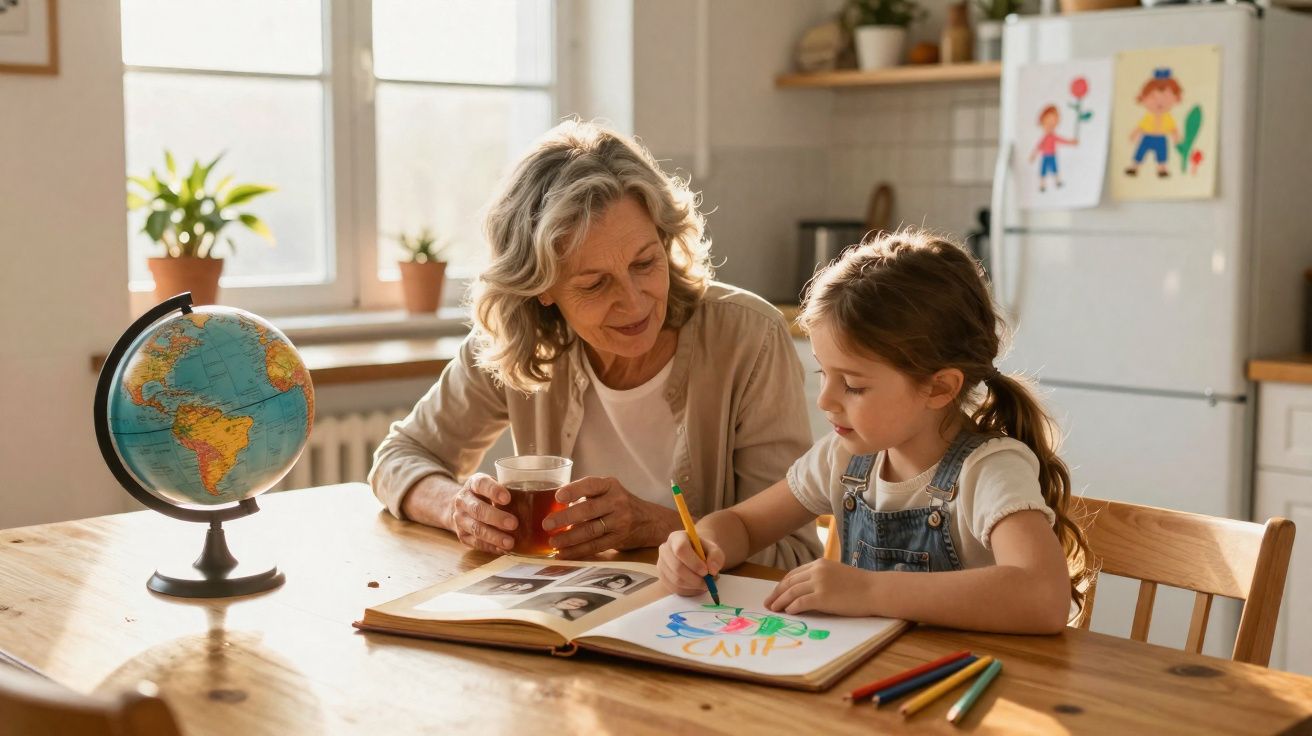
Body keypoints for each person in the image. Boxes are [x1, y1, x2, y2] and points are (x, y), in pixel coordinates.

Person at [368, 120, 820, 568]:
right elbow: (398, 458)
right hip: (565, 620)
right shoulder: (519, 340)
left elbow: (791, 555)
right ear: (541, 288)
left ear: (665, 240)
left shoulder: (749, 338)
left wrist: (654, 526)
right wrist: (455, 507)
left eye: (645, 262)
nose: (634, 301)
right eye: (595, 284)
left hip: (706, 630)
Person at [657, 229, 1091, 634]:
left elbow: (1042, 596)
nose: (825, 400)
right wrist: (701, 545)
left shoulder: (989, 471)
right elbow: (743, 526)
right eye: (823, 373)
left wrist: (868, 591)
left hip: (965, 686)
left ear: (939, 387)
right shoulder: (842, 458)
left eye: (854, 386)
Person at [1125, 68, 1183, 178]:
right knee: (1140, 152)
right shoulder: (1148, 116)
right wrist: (1134, 134)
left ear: (1175, 98)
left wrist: (1176, 137)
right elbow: (1141, 126)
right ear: (1143, 98)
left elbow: (1173, 128)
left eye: (1166, 97)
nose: (1159, 102)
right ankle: (1134, 167)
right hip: (1147, 137)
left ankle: (1162, 169)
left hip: (1161, 138)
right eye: (1153, 97)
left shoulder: (1168, 117)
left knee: (1162, 155)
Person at [1029, 105, 1077, 193]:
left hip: (1052, 155)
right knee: (1043, 170)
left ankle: (1057, 182)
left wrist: (1071, 142)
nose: (1050, 126)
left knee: (1055, 169)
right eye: (1047, 123)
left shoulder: (1053, 137)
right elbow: (1038, 147)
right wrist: (1033, 155)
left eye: (1053, 124)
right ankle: (1042, 185)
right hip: (1045, 156)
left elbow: (1062, 140)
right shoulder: (1044, 138)